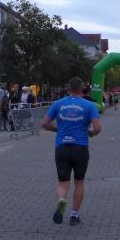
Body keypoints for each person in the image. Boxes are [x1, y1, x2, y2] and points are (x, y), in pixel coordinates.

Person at [41, 77, 102, 226]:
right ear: (82, 89)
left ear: (68, 88)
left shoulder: (58, 104)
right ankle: (74, 215)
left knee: (63, 182)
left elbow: (44, 123)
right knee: (79, 182)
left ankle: (62, 200)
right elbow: (98, 127)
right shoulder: (89, 105)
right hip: (80, 147)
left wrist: (56, 130)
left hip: (62, 147)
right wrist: (91, 133)